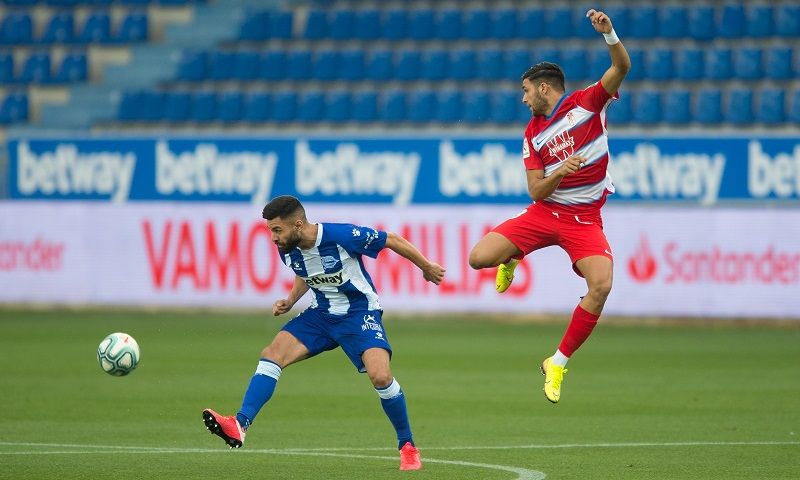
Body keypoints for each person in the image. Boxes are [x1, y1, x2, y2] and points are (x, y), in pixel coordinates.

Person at [202, 195, 445, 471]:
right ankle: (239, 424)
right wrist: (291, 300)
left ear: (297, 224)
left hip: (359, 313)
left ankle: (407, 446)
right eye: (270, 230)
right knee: (272, 354)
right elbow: (306, 272)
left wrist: (426, 266)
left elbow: (391, 239)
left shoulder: (341, 235)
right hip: (321, 315)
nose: (273, 237)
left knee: (381, 376)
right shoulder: (287, 247)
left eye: (277, 230)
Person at [468, 9, 631, 404]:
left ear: (544, 88)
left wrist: (609, 34)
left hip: (584, 219)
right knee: (478, 259)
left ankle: (557, 361)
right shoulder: (532, 134)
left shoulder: (587, 103)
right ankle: (513, 254)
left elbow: (622, 65)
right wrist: (560, 170)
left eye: (525, 91)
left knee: (602, 284)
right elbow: (536, 191)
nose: (523, 99)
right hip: (546, 213)